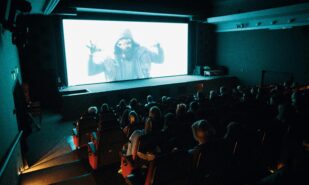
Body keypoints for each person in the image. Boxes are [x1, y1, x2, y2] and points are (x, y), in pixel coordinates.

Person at [87, 29, 164, 81]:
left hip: (142, 90)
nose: (127, 45)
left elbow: (160, 60)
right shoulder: (109, 59)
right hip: (118, 94)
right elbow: (91, 72)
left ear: (133, 42)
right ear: (118, 45)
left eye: (129, 42)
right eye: (124, 42)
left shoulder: (144, 52)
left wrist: (159, 47)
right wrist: (91, 55)